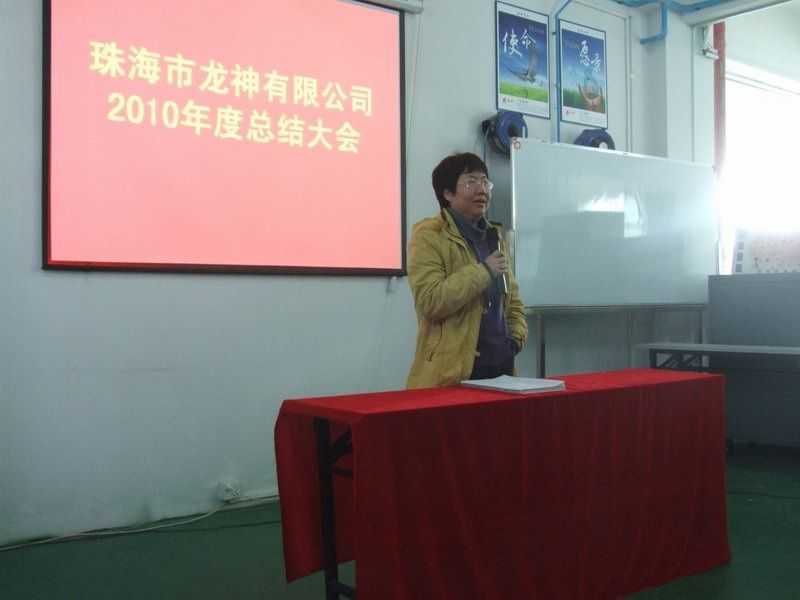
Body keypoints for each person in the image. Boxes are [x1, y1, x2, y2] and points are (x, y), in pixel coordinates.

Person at [406, 152, 527, 389]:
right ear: (448, 193)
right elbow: (430, 301)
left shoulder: (493, 236)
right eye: (471, 182)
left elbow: (513, 301)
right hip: (452, 376)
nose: (482, 190)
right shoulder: (429, 235)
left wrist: (515, 339)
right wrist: (484, 271)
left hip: (502, 372)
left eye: (485, 182)